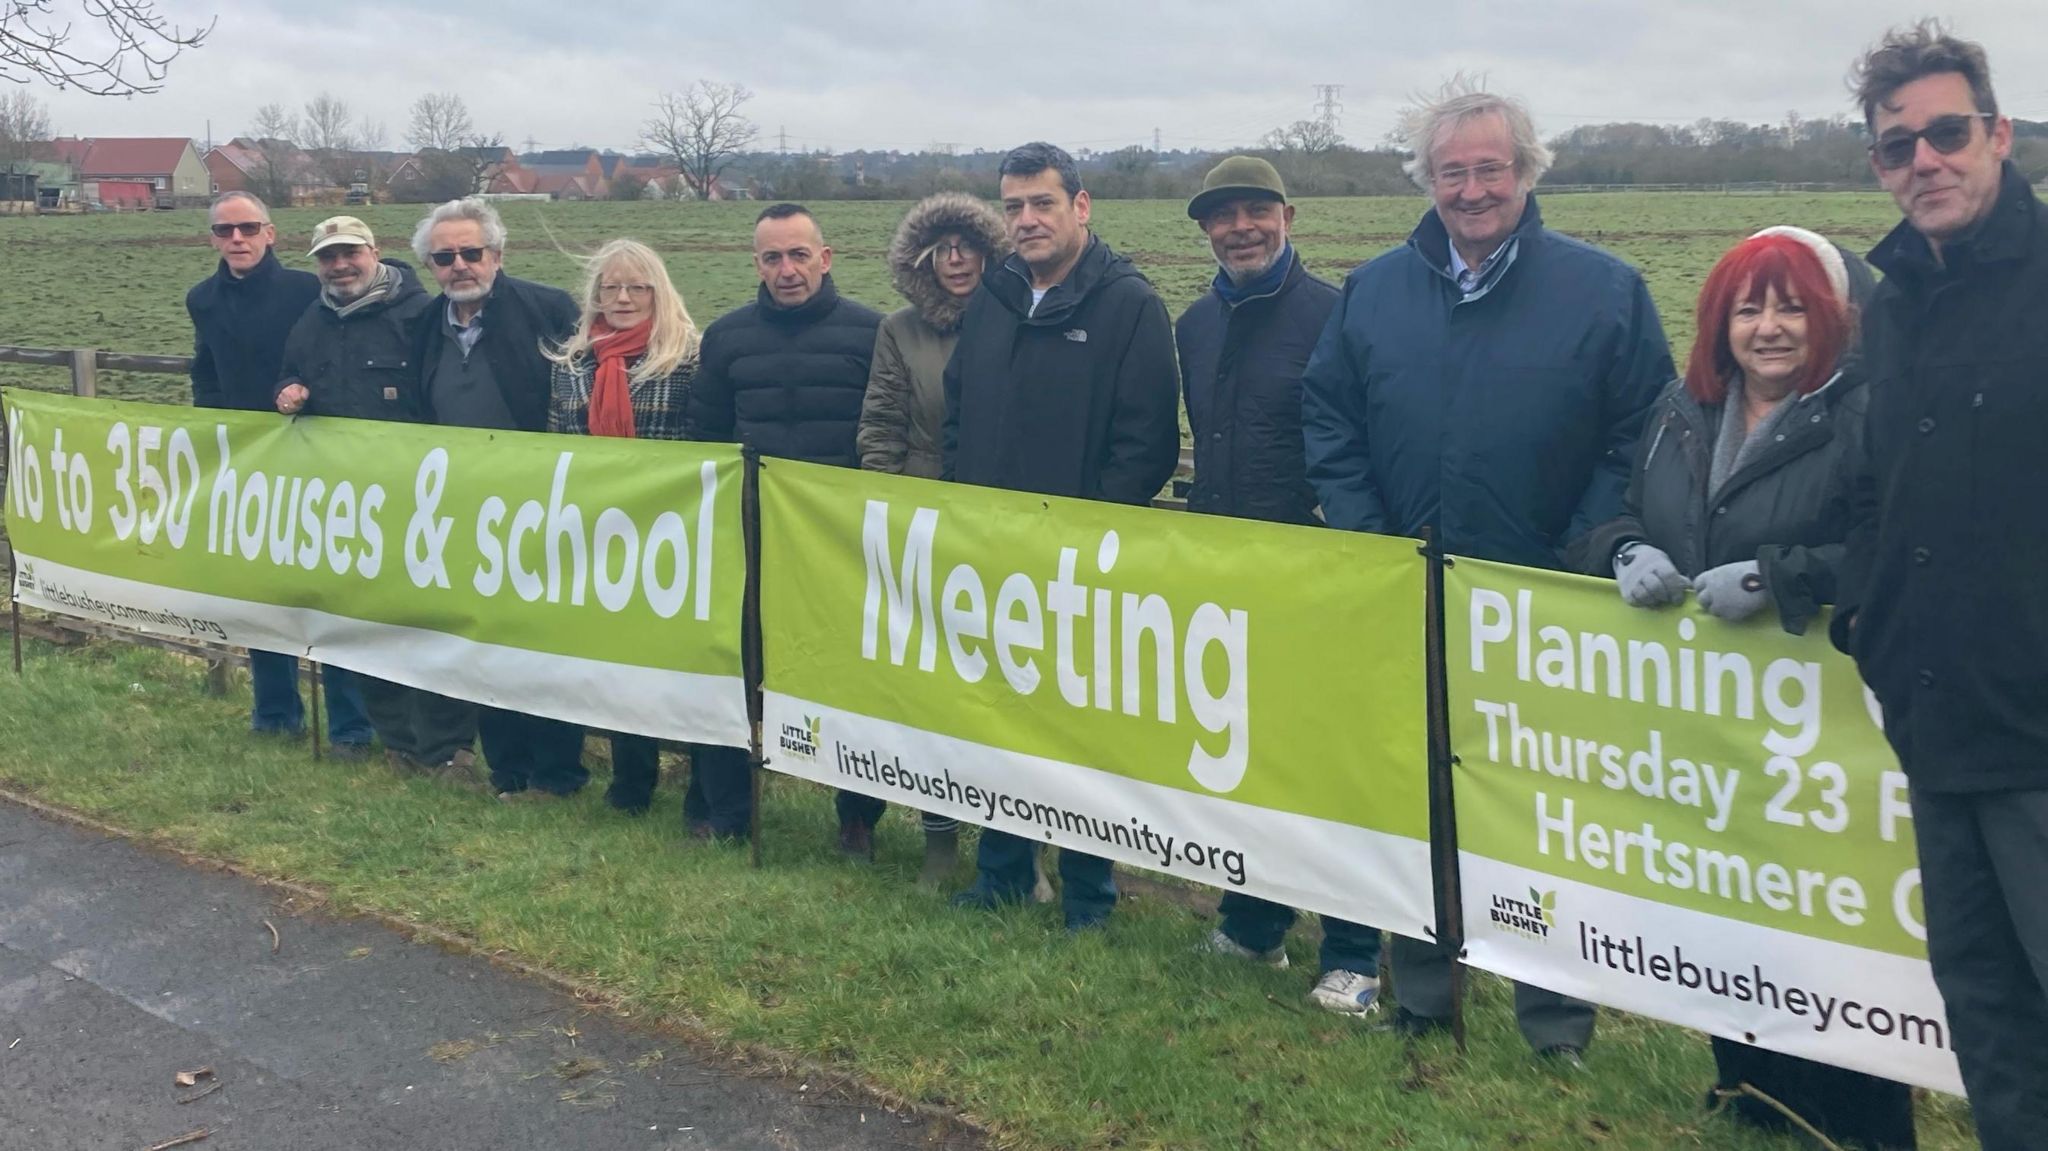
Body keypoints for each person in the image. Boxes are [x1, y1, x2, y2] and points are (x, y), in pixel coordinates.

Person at [1300, 82, 1671, 1061]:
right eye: (1449, 171)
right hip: (1407, 597)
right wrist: (1366, 532)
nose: (1469, 190)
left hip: (1540, 605)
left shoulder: (1603, 291)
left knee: (1543, 813)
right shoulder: (1373, 290)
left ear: (1526, 173)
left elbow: (1643, 430)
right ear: (1425, 180)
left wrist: (1575, 547)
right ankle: (1422, 994)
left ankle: (1554, 1023)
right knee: (1417, 800)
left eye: (1488, 169)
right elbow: (1328, 415)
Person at [1575, 228, 1915, 1149]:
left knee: (1829, 929)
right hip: (1708, 737)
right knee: (1727, 913)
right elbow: (1616, 508)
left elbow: (1904, 547)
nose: (1769, 328)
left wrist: (1781, 576)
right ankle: (1748, 1094)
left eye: (1792, 306)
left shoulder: (1871, 412)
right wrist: (1623, 550)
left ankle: (1858, 1119)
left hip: (1824, 747)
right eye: (1749, 307)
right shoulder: (1680, 410)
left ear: (1837, 317)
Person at [1836, 23, 2048, 1149]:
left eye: (1944, 132)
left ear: (1997, 134)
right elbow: (1878, 482)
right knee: (1987, 1014)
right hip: (1936, 721)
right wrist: (1870, 619)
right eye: (1893, 144)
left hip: (2037, 736)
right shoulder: (1896, 298)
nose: (1922, 159)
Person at [943, 141, 1181, 931]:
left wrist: (1078, 536)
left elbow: (1143, 444)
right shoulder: (996, 295)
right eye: (1012, 206)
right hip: (991, 556)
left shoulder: (1129, 305)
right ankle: (1003, 870)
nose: (1026, 220)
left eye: (1042, 203)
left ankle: (1088, 892)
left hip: (1082, 565)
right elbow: (958, 411)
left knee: (1080, 731)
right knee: (998, 716)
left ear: (1081, 206)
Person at [1173, 156, 1380, 1013]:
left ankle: (1354, 949)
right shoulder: (1192, 323)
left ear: (1288, 215)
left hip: (1317, 576)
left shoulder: (1336, 315)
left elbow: (1359, 440)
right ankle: (1255, 924)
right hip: (1226, 573)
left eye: (1256, 211)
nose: (1240, 228)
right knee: (1248, 759)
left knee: (1333, 765)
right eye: (1223, 217)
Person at [688, 203, 882, 848]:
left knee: (851, 684)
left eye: (799, 254)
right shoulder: (727, 337)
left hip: (839, 545)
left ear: (825, 259)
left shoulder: (870, 334)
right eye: (772, 257)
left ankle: (857, 818)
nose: (787, 269)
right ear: (757, 265)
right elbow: (707, 438)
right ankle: (728, 812)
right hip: (750, 540)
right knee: (732, 674)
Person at [276, 216, 479, 779]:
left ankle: (449, 750)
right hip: (347, 509)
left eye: (349, 254)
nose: (339, 266)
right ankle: (399, 746)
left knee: (428, 628)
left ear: (375, 253)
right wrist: (286, 391)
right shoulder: (311, 322)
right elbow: (290, 373)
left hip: (421, 504)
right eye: (327, 257)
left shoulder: (419, 316)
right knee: (365, 630)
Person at [410, 197, 589, 803]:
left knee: (544, 643)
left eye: (471, 252)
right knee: (480, 640)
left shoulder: (548, 310)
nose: (459, 265)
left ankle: (558, 773)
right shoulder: (423, 327)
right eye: (444, 257)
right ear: (430, 265)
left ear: (498, 255)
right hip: (460, 513)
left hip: (539, 508)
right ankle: (508, 772)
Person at [857, 191, 1009, 886]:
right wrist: (889, 510)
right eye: (942, 248)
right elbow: (882, 422)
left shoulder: (1017, 321)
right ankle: (938, 839)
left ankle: (1020, 852)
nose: (956, 260)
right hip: (923, 521)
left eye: (968, 246)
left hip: (1001, 525)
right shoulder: (901, 331)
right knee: (928, 692)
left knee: (1007, 694)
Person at [185, 191, 371, 755]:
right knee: (261, 592)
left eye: (246, 228)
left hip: (317, 456)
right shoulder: (203, 299)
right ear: (212, 238)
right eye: (224, 231)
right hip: (248, 464)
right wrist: (220, 439)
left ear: (270, 233)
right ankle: (274, 714)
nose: (235, 239)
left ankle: (352, 726)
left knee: (330, 590)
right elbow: (206, 372)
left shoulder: (304, 289)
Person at [543, 239, 700, 815]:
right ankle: (630, 782)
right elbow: (558, 444)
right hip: (595, 535)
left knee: (669, 663)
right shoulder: (571, 363)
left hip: (667, 535)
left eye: (638, 287)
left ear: (658, 291)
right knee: (613, 664)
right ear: (596, 295)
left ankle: (692, 778)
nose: (625, 297)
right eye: (612, 287)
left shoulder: (688, 357)